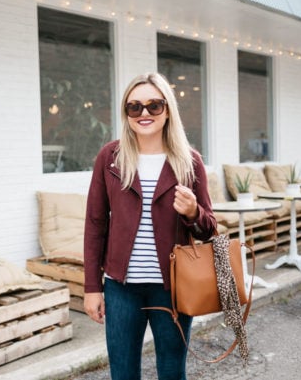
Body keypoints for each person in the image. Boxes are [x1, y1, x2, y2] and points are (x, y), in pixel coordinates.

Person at [83, 72, 217, 380]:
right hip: (120, 289)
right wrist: (92, 287)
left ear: (167, 110)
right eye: (135, 107)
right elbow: (95, 224)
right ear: (127, 113)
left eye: (154, 106)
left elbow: (208, 229)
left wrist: (193, 211)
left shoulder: (189, 161)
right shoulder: (110, 158)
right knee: (123, 374)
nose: (144, 114)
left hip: (172, 289)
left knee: (172, 372)